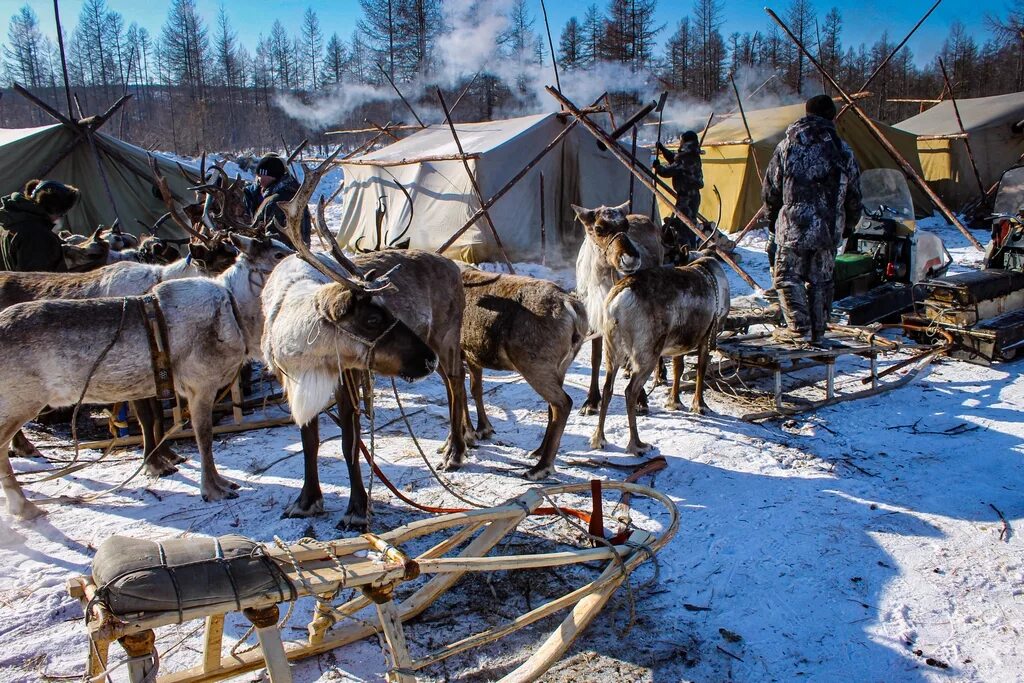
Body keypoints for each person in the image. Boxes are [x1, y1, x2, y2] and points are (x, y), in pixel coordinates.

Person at [762, 94, 862, 344]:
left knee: (786, 277)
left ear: (806, 114)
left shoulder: (788, 146)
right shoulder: (843, 149)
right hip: (827, 228)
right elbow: (854, 194)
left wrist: (773, 218)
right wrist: (848, 224)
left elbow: (771, 187)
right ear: (832, 116)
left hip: (793, 226)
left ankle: (798, 329)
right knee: (821, 280)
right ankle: (818, 330)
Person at [0, 179, 80, 272]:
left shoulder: (11, 220)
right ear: (53, 209)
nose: (59, 218)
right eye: (61, 213)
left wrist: (59, 243)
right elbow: (38, 279)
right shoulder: (37, 234)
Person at [654, 130, 704, 260]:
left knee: (683, 225)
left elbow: (668, 171)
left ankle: (686, 254)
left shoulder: (685, 157)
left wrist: (658, 167)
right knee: (690, 223)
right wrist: (663, 150)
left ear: (684, 141)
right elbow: (675, 159)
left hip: (686, 196)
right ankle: (691, 251)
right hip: (694, 195)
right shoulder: (693, 154)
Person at [243, 154, 311, 247]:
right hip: (298, 252)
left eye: (260, 175)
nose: (258, 180)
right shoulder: (293, 193)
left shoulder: (277, 201)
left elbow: (273, 240)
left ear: (271, 176)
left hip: (281, 256)